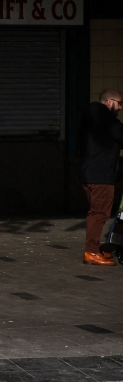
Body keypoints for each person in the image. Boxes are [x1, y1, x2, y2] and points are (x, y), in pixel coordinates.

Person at [79, 88, 123, 266]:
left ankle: (94, 249)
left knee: (94, 213)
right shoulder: (110, 123)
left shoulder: (90, 120)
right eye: (119, 103)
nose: (120, 108)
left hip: (87, 174)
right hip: (102, 176)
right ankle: (91, 252)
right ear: (110, 102)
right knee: (99, 214)